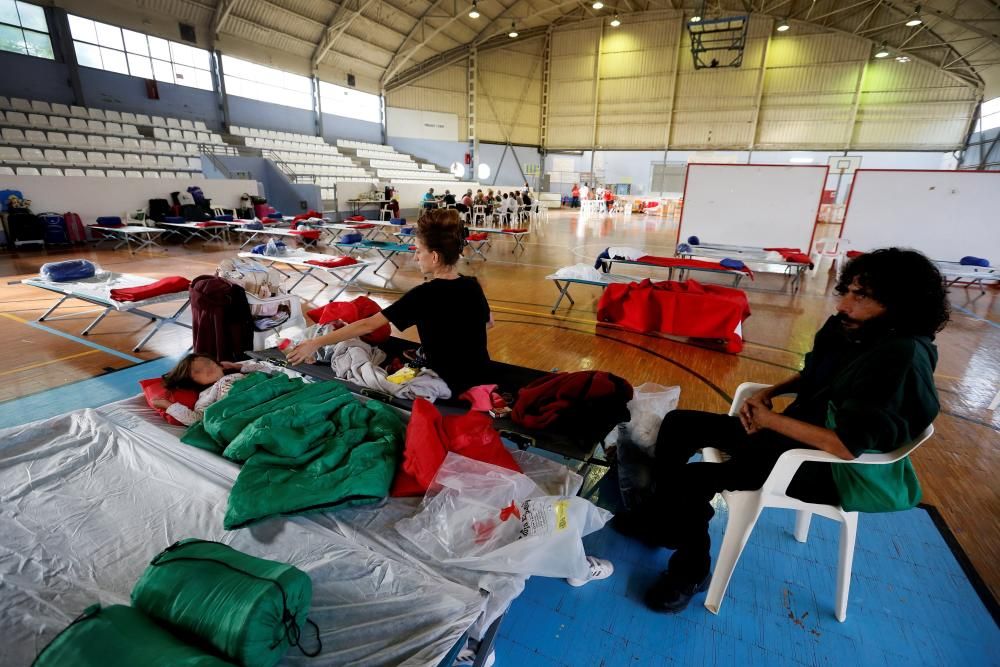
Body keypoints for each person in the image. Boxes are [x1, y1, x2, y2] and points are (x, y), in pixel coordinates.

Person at [615, 248, 948, 613]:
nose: (844, 305)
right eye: (847, 291)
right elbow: (815, 376)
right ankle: (666, 522)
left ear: (900, 304)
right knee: (680, 424)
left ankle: (690, 570)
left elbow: (846, 447)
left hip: (823, 467)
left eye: (861, 296)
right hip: (789, 436)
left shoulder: (900, 358)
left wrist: (769, 420)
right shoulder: (856, 330)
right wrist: (768, 393)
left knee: (694, 480)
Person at [286, 209, 492, 393]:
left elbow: (368, 324)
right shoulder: (472, 285)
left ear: (435, 257)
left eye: (418, 251)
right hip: (480, 374)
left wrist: (315, 343)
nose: (415, 258)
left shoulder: (423, 294)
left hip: (452, 382)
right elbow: (488, 324)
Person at [152, 354, 291, 426]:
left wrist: (238, 366)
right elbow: (198, 419)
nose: (207, 368)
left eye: (208, 363)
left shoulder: (239, 374)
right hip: (250, 410)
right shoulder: (206, 394)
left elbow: (267, 371)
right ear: (191, 382)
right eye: (198, 371)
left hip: (274, 396)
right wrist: (168, 406)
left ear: (220, 365)